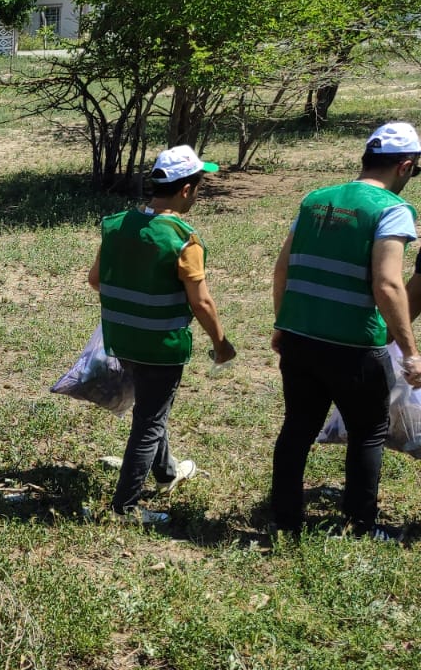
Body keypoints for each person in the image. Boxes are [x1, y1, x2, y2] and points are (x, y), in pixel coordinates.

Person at [269, 122, 421, 540]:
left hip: (300, 338)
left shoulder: (315, 199)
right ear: (405, 166)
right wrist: (410, 351)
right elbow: (388, 283)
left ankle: (284, 518)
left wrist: (283, 323)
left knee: (297, 427)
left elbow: (282, 267)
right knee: (369, 432)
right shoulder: (392, 210)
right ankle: (360, 524)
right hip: (354, 347)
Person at [87, 145, 234, 524]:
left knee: (152, 408)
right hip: (162, 346)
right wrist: (221, 344)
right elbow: (201, 303)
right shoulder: (184, 240)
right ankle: (126, 506)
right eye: (199, 185)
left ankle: (167, 471)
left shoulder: (117, 225)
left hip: (122, 340)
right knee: (149, 421)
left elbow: (95, 280)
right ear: (186, 190)